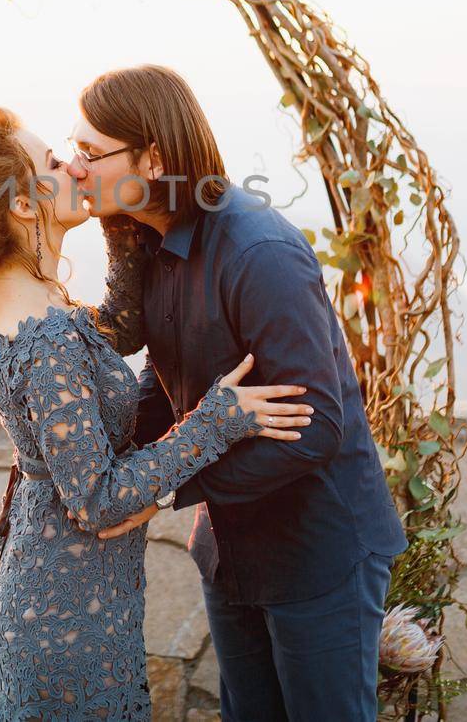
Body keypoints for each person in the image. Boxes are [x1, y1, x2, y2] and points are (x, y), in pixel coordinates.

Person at [0, 105, 316, 721]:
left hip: (65, 583)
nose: (73, 166)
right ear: (20, 205)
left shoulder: (30, 308)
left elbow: (118, 324)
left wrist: (119, 214)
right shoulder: (46, 337)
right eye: (52, 163)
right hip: (66, 601)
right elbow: (96, 501)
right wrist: (219, 419)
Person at [71, 64, 409, 722]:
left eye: (91, 152)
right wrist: (109, 462)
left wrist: (166, 489)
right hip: (230, 551)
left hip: (319, 554)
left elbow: (317, 427)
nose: (77, 166)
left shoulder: (260, 252)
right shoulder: (152, 238)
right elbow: (167, 374)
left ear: (155, 156)